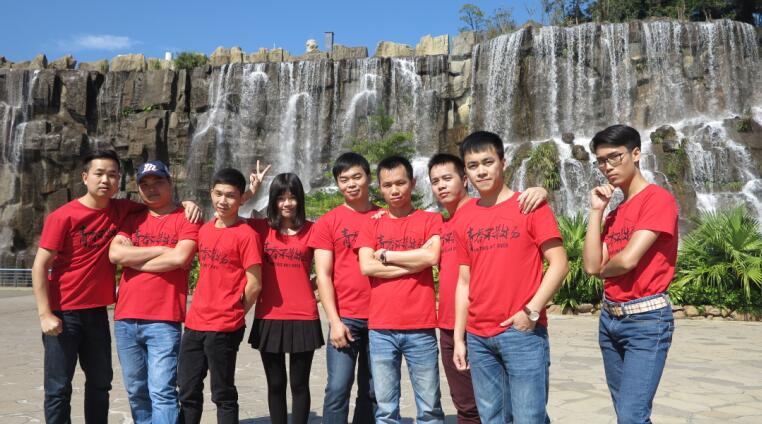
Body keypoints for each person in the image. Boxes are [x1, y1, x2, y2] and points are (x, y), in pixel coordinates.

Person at [31, 150, 200, 423]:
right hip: (63, 312)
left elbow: (168, 222)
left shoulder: (124, 210)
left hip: (98, 312)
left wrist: (188, 203)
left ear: (119, 179)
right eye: (98, 173)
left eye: (111, 175)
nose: (105, 180)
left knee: (101, 384)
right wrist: (44, 314)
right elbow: (40, 265)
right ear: (85, 177)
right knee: (58, 387)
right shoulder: (64, 216)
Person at [452, 131, 569, 424]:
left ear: (503, 163)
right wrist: (459, 338)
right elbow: (464, 281)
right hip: (478, 336)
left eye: (488, 162)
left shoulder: (529, 205)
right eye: (473, 165)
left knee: (529, 417)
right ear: (466, 173)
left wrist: (531, 311)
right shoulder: (463, 217)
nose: (481, 171)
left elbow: (559, 264)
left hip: (521, 333)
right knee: (491, 418)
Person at [427, 153, 548, 424]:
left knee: (524, 410)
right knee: (473, 407)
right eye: (435, 181)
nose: (441, 185)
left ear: (464, 179)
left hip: (495, 326)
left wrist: (541, 191)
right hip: (455, 326)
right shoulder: (436, 222)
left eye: (447, 178)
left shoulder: (489, 208)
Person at [582, 124, 678, 424]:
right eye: (601, 161)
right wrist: (596, 211)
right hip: (609, 320)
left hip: (646, 320)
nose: (607, 167)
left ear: (635, 154)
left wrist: (602, 270)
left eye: (615, 157)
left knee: (631, 416)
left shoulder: (657, 199)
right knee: (627, 414)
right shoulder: (614, 213)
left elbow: (627, 261)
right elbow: (590, 265)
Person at [108, 160, 202, 424]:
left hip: (163, 319)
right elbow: (115, 254)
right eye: (145, 184)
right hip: (125, 319)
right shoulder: (133, 217)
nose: (151, 189)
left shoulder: (187, 217)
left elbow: (179, 258)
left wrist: (134, 259)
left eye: (158, 182)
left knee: (162, 391)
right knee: (136, 391)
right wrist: (162, 250)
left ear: (170, 183)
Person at [356, 155, 445, 424]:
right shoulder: (371, 223)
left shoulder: (431, 220)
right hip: (381, 329)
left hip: (421, 326)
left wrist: (387, 255)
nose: (394, 190)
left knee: (429, 408)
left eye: (400, 183)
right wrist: (414, 264)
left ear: (413, 183)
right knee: (385, 410)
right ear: (380, 188)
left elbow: (431, 257)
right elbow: (367, 267)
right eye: (387, 185)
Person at [177, 168, 263, 424]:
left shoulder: (247, 235)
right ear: (211, 193)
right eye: (218, 194)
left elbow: (254, 284)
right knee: (187, 389)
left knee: (222, 392)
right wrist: (185, 202)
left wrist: (235, 311)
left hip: (224, 326)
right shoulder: (204, 229)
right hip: (195, 323)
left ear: (240, 199)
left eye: (230, 195)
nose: (223, 200)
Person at [248, 172, 324, 424]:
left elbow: (329, 267)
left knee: (300, 385)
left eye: (292, 197)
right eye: (281, 197)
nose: (287, 203)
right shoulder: (260, 229)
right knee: (275, 384)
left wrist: (313, 286)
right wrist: (252, 191)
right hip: (269, 314)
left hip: (303, 315)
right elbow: (228, 212)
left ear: (300, 199)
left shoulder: (313, 230)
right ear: (273, 200)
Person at [308, 153, 377, 424]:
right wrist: (334, 322)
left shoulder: (384, 216)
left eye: (357, 177)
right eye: (344, 179)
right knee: (337, 389)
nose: (351, 184)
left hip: (381, 318)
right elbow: (323, 275)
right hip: (346, 318)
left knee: (372, 390)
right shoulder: (328, 221)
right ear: (337, 183)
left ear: (369, 178)